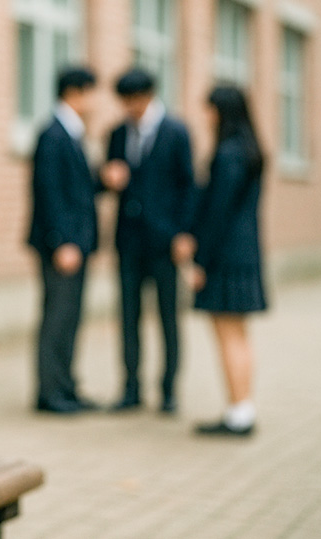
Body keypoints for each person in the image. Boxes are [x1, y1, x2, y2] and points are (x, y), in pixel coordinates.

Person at [100, 67, 196, 414]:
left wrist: (185, 233)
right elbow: (108, 178)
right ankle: (131, 388)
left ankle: (169, 390)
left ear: (149, 96)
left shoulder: (176, 131)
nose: (130, 108)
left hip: (166, 242)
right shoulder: (116, 134)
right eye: (124, 102)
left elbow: (189, 186)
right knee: (128, 316)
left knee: (169, 317)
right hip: (128, 241)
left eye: (134, 101)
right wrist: (106, 177)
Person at [189, 86, 268, 437]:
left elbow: (217, 213)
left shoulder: (228, 155)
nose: (206, 117)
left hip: (226, 259)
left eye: (210, 110)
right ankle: (242, 408)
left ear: (222, 113)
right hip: (243, 254)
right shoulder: (249, 152)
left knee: (229, 336)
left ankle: (239, 412)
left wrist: (200, 261)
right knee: (239, 336)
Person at [27, 66, 100, 414]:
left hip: (76, 244)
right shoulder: (53, 135)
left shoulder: (71, 133)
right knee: (57, 317)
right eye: (92, 93)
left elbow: (77, 188)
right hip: (64, 246)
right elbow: (50, 192)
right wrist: (62, 242)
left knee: (70, 316)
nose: (95, 101)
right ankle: (50, 393)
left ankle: (67, 387)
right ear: (76, 93)